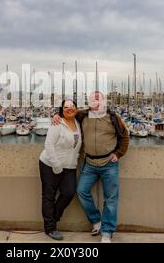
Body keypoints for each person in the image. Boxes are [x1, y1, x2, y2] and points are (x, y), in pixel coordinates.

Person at [52, 91, 129, 243]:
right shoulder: (83, 115)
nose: (96, 102)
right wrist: (56, 115)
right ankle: (96, 221)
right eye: (93, 100)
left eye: (98, 99)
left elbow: (125, 137)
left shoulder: (113, 117)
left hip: (109, 164)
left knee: (111, 198)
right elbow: (68, 112)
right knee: (81, 191)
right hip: (90, 163)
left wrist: (118, 153)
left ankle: (107, 232)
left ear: (104, 101)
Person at [39, 99, 82, 241]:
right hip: (50, 165)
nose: (69, 109)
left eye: (72, 106)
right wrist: (56, 165)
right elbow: (49, 144)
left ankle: (54, 217)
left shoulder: (77, 122)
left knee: (69, 192)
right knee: (48, 196)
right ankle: (50, 228)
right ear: (62, 110)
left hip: (69, 167)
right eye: (66, 107)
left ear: (76, 108)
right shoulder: (57, 123)